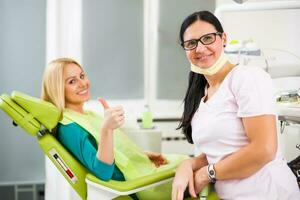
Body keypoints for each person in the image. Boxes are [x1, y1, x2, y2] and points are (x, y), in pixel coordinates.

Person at [172, 11, 300, 200]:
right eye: (191, 43)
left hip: (269, 193)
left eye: (207, 38)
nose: (200, 48)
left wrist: (207, 173)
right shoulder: (203, 94)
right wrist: (188, 165)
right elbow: (223, 151)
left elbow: (263, 149)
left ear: (223, 38)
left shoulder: (246, 77)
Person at [41, 58, 187, 200]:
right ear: (58, 88)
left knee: (191, 162)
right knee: (193, 165)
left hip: (144, 170)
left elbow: (112, 149)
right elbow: (103, 172)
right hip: (141, 186)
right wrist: (107, 129)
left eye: (82, 76)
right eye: (72, 81)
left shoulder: (88, 115)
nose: (83, 83)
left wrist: (144, 155)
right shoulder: (69, 128)